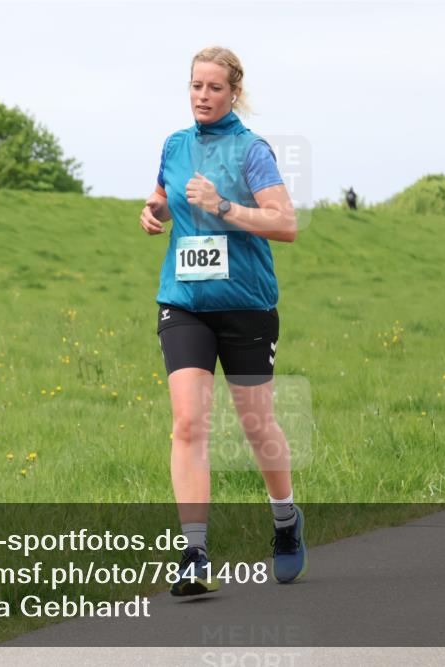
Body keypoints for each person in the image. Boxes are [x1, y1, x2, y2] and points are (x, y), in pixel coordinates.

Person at [140, 46, 307, 595]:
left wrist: (224, 207)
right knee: (188, 422)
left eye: (213, 88)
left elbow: (285, 224)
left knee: (257, 426)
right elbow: (163, 198)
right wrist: (154, 212)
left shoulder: (250, 150)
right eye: (195, 86)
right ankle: (194, 553)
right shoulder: (174, 144)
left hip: (246, 305)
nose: (202, 97)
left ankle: (285, 521)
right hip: (184, 300)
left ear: (234, 92)